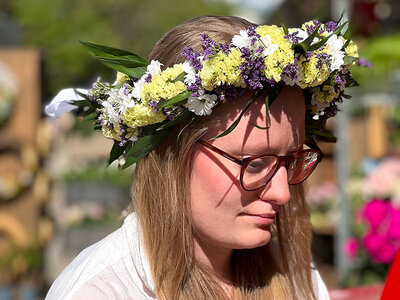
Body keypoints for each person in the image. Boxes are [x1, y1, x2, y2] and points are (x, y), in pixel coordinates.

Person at [45, 15, 359, 299]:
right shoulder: (100, 291)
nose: (282, 193)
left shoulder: (295, 276)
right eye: (256, 163)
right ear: (174, 152)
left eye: (290, 161)